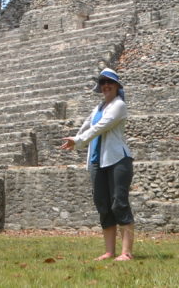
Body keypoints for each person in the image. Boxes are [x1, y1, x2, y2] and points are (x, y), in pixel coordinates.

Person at [61, 67, 135, 261]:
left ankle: (126, 252)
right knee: (102, 204)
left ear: (117, 85)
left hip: (117, 159)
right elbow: (87, 125)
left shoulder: (119, 105)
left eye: (109, 82)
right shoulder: (99, 108)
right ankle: (109, 251)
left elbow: (100, 127)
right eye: (102, 83)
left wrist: (78, 141)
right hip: (96, 161)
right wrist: (75, 138)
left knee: (119, 203)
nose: (106, 86)